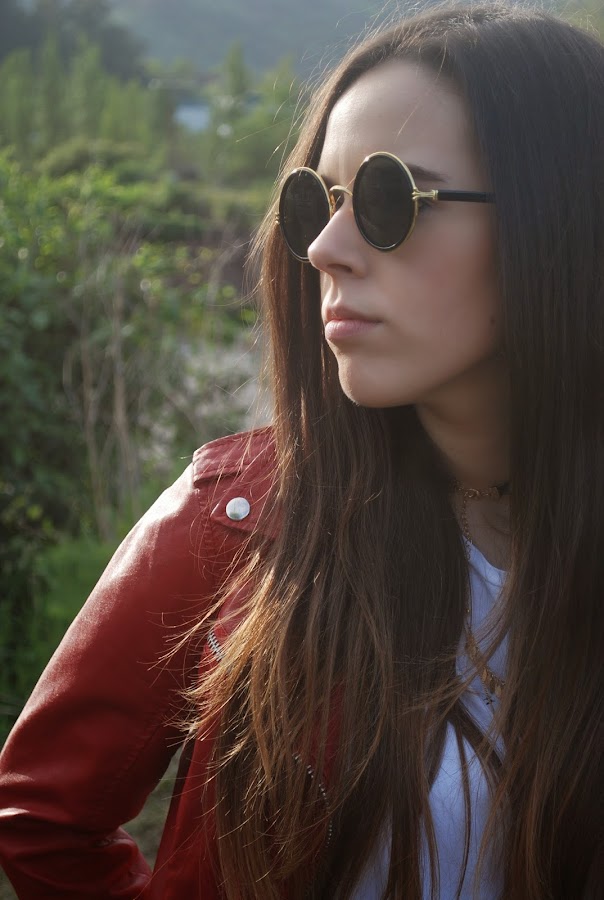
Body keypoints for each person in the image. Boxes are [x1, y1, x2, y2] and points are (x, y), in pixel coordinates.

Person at [0, 2, 602, 897]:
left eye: (390, 199)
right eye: (314, 201)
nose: (324, 248)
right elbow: (41, 816)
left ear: (562, 219)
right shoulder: (240, 521)